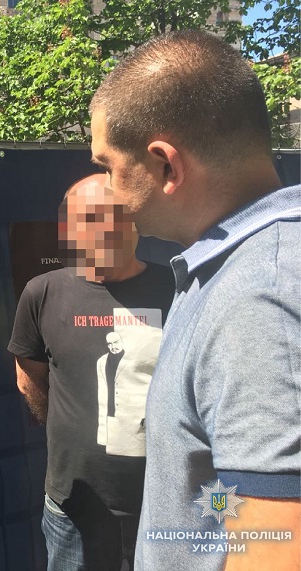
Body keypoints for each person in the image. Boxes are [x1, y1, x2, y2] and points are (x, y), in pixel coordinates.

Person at [89, 29, 300, 570]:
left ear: (166, 166)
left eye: (107, 167)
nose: (107, 190)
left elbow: (276, 550)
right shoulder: (244, 266)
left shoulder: (256, 298)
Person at [8, 174, 175, 570]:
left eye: (116, 214)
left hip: (167, 504)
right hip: (73, 509)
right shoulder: (42, 293)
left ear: (136, 219)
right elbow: (29, 378)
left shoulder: (178, 287)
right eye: (89, 218)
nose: (104, 228)